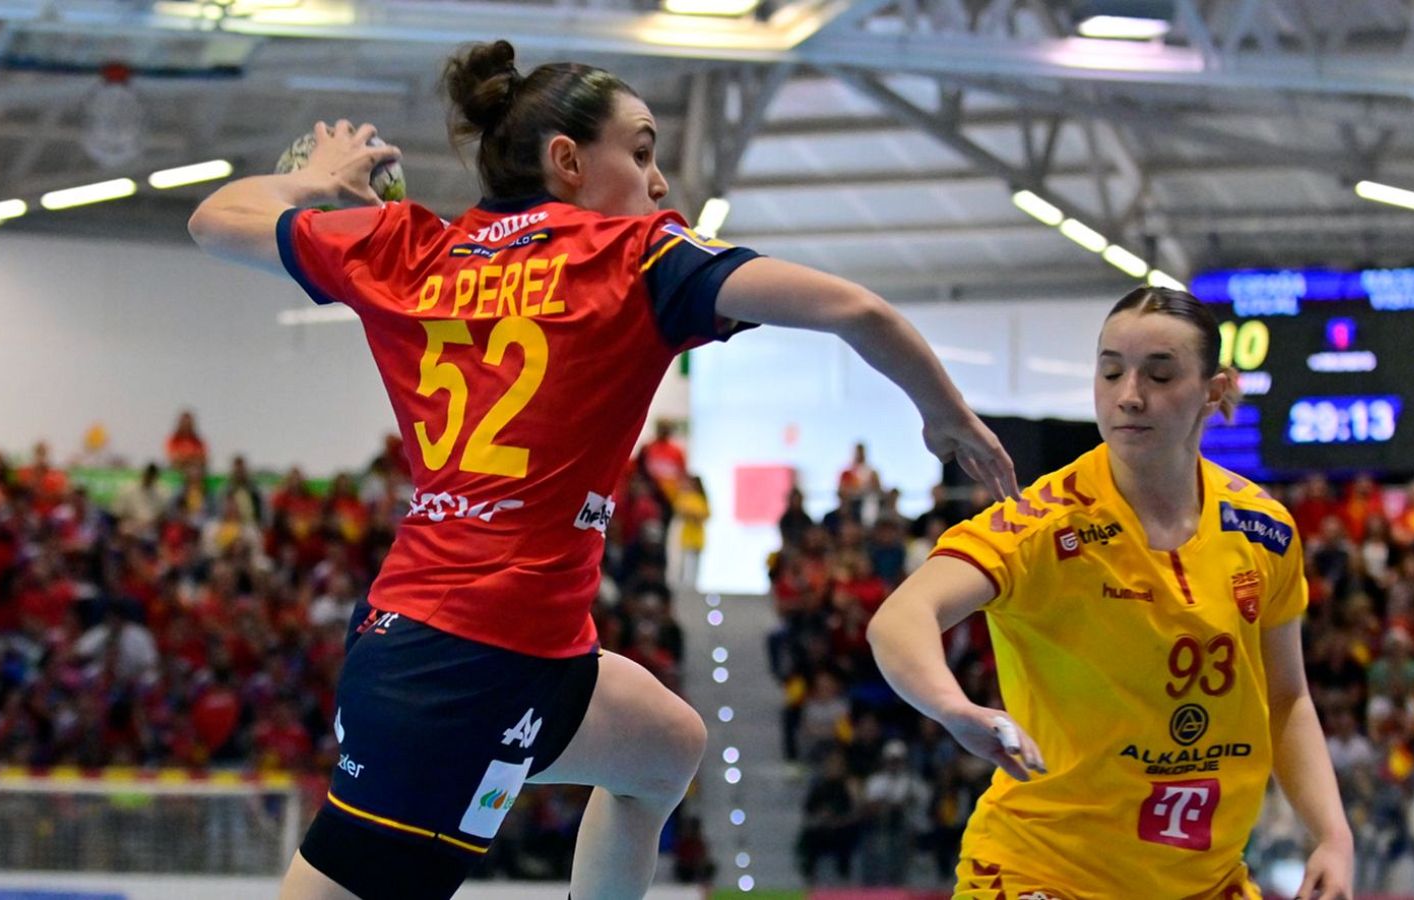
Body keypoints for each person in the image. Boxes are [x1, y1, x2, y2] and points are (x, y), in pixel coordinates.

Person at [187, 39, 1016, 900]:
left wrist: (314, 179)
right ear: (568, 161)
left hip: (509, 646)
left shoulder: (406, 246)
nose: (659, 182)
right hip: (460, 669)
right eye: (643, 153)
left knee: (666, 748)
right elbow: (858, 308)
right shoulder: (637, 258)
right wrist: (947, 416)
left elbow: (215, 220)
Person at [867, 287, 1354, 899]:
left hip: (1206, 884)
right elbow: (901, 618)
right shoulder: (1043, 522)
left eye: (1159, 374)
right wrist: (953, 707)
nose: (1129, 395)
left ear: (1214, 390)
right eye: (1111, 371)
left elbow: (1286, 698)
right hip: (1041, 875)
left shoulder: (1263, 528)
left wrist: (1333, 835)